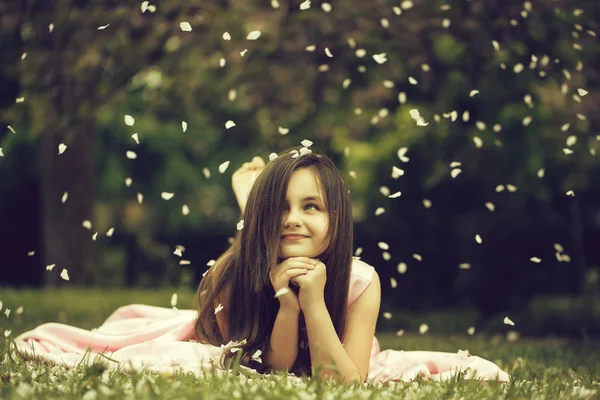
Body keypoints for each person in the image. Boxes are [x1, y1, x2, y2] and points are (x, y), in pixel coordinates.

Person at [14, 145, 510, 384]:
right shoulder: (232, 275)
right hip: (248, 324)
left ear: (337, 219)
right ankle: (252, 203)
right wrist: (286, 305)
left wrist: (314, 302)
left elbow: (345, 384)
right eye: (279, 209)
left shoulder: (361, 281)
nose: (294, 221)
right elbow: (271, 367)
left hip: (330, 336)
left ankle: (254, 198)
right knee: (245, 255)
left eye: (312, 207)